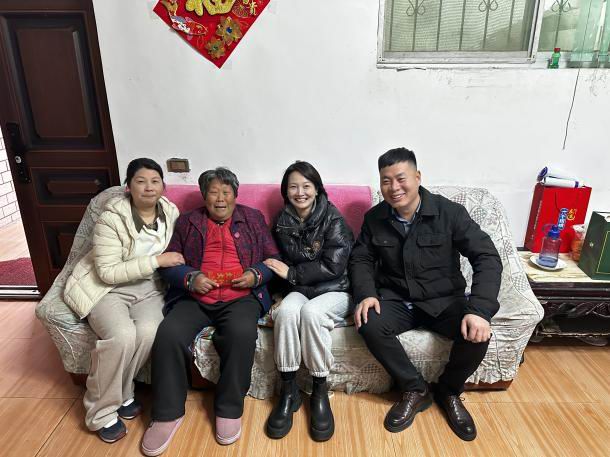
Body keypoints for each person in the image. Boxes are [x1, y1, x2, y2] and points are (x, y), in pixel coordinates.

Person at [349, 148, 502, 441]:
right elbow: (361, 259)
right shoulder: (375, 218)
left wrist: (480, 310)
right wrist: (366, 293)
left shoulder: (450, 213)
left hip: (443, 300)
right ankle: (415, 388)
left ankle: (449, 391)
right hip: (397, 299)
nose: (394, 188)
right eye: (385, 181)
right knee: (368, 321)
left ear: (418, 177)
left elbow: (486, 257)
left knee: (477, 334)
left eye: (401, 178)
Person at [141, 167, 279, 456]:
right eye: (213, 192)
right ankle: (167, 413)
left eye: (226, 192)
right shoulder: (188, 222)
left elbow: (272, 259)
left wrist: (255, 275)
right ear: (204, 196)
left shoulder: (253, 219)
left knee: (241, 333)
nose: (220, 199)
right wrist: (190, 278)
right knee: (168, 334)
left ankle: (229, 408)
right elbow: (170, 263)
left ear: (235, 195)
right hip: (195, 298)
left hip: (241, 298)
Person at [64, 158, 183, 443]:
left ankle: (124, 392)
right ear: (128, 186)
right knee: (122, 336)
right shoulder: (111, 218)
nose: (149, 187)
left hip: (149, 289)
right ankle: (100, 412)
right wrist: (156, 261)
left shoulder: (170, 212)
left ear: (163, 186)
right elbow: (106, 272)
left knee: (149, 332)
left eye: (155, 181)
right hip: (107, 290)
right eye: (140, 181)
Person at [264, 161, 354, 442]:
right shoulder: (282, 221)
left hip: (336, 288)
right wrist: (279, 292)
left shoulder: (333, 219)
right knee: (287, 312)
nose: (300, 192)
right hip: (302, 288)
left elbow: (335, 266)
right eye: (293, 187)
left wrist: (292, 274)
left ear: (317, 189)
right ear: (286, 191)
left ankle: (319, 389)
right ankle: (289, 390)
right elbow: (277, 261)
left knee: (312, 313)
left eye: (306, 186)